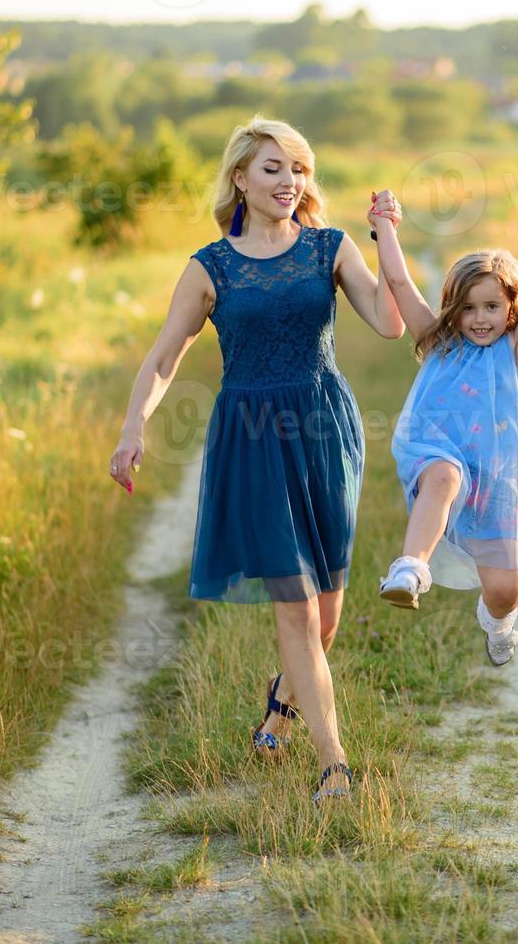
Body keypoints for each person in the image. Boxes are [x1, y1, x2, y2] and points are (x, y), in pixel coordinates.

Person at [108, 116, 405, 804]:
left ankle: (281, 699)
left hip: (325, 430)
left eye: (298, 169)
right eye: (272, 168)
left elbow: (390, 323)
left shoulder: (328, 248)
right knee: (297, 609)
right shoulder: (209, 267)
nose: (288, 181)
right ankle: (334, 763)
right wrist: (132, 428)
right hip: (252, 437)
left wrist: (387, 236)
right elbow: (161, 358)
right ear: (240, 177)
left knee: (326, 613)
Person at [369, 190, 518, 666]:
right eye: (469, 308)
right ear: (453, 308)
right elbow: (398, 281)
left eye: (491, 307)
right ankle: (411, 568)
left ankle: (499, 620)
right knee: (444, 476)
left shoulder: (517, 352)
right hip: (434, 453)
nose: (480, 319)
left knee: (505, 589)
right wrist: (385, 227)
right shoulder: (438, 343)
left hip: (496, 480)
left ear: (510, 310)